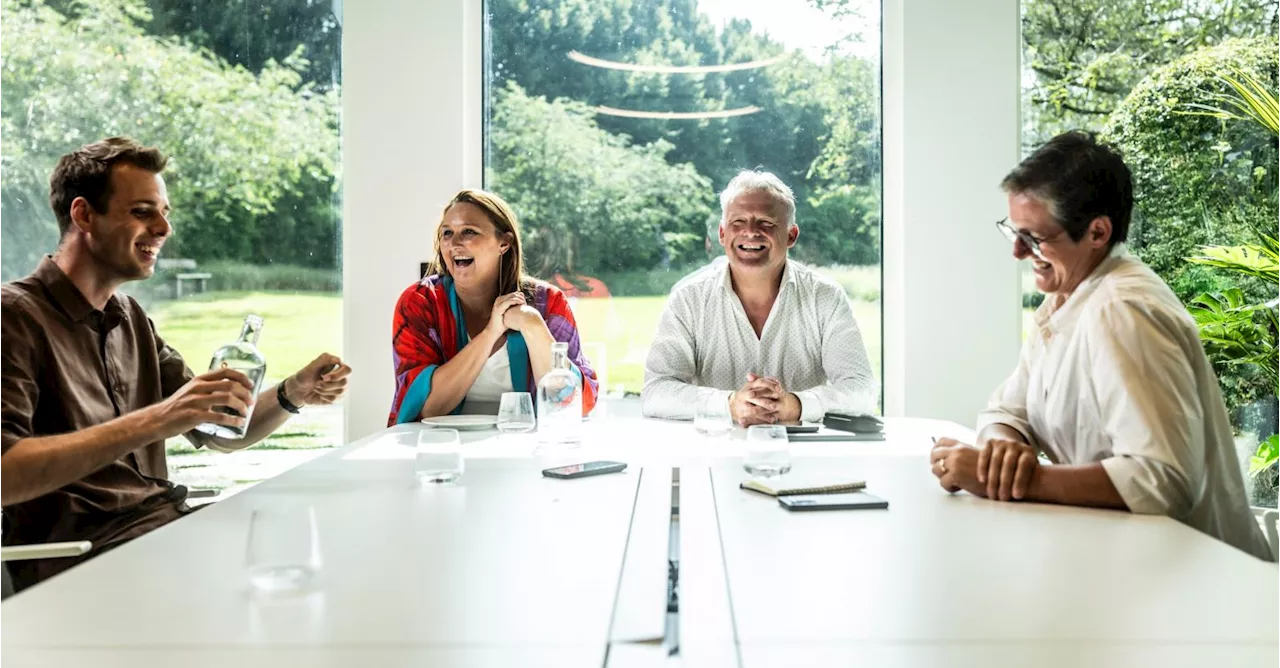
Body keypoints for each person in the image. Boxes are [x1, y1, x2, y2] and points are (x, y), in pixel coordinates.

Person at [0, 137, 352, 591]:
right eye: (143, 211)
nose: (164, 228)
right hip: (88, 565)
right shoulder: (14, 317)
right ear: (84, 215)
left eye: (165, 212)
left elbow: (215, 431)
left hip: (162, 533)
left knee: (332, 536)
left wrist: (291, 394)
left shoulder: (130, 318)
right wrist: (161, 417)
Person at [930, 131, 1273, 561]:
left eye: (1034, 238)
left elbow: (1163, 480)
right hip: (1133, 566)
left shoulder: (1123, 310)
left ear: (1097, 232)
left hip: (1201, 583)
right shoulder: (1068, 298)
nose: (1018, 252)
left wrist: (1018, 480)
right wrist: (1002, 451)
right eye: (1013, 232)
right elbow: (1006, 412)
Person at [642, 169, 877, 426]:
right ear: (722, 234)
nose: (751, 232)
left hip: (805, 456)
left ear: (791, 235)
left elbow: (862, 391)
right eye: (738, 222)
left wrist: (795, 405)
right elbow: (655, 391)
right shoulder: (688, 300)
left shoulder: (826, 297)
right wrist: (729, 404)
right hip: (714, 452)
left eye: (766, 222)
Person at [388, 189, 598, 424]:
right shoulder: (420, 302)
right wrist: (491, 333)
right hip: (440, 446)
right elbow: (426, 407)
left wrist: (532, 324)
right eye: (447, 233)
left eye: (469, 232)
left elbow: (572, 403)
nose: (454, 243)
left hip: (525, 448)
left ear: (504, 243)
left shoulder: (548, 302)